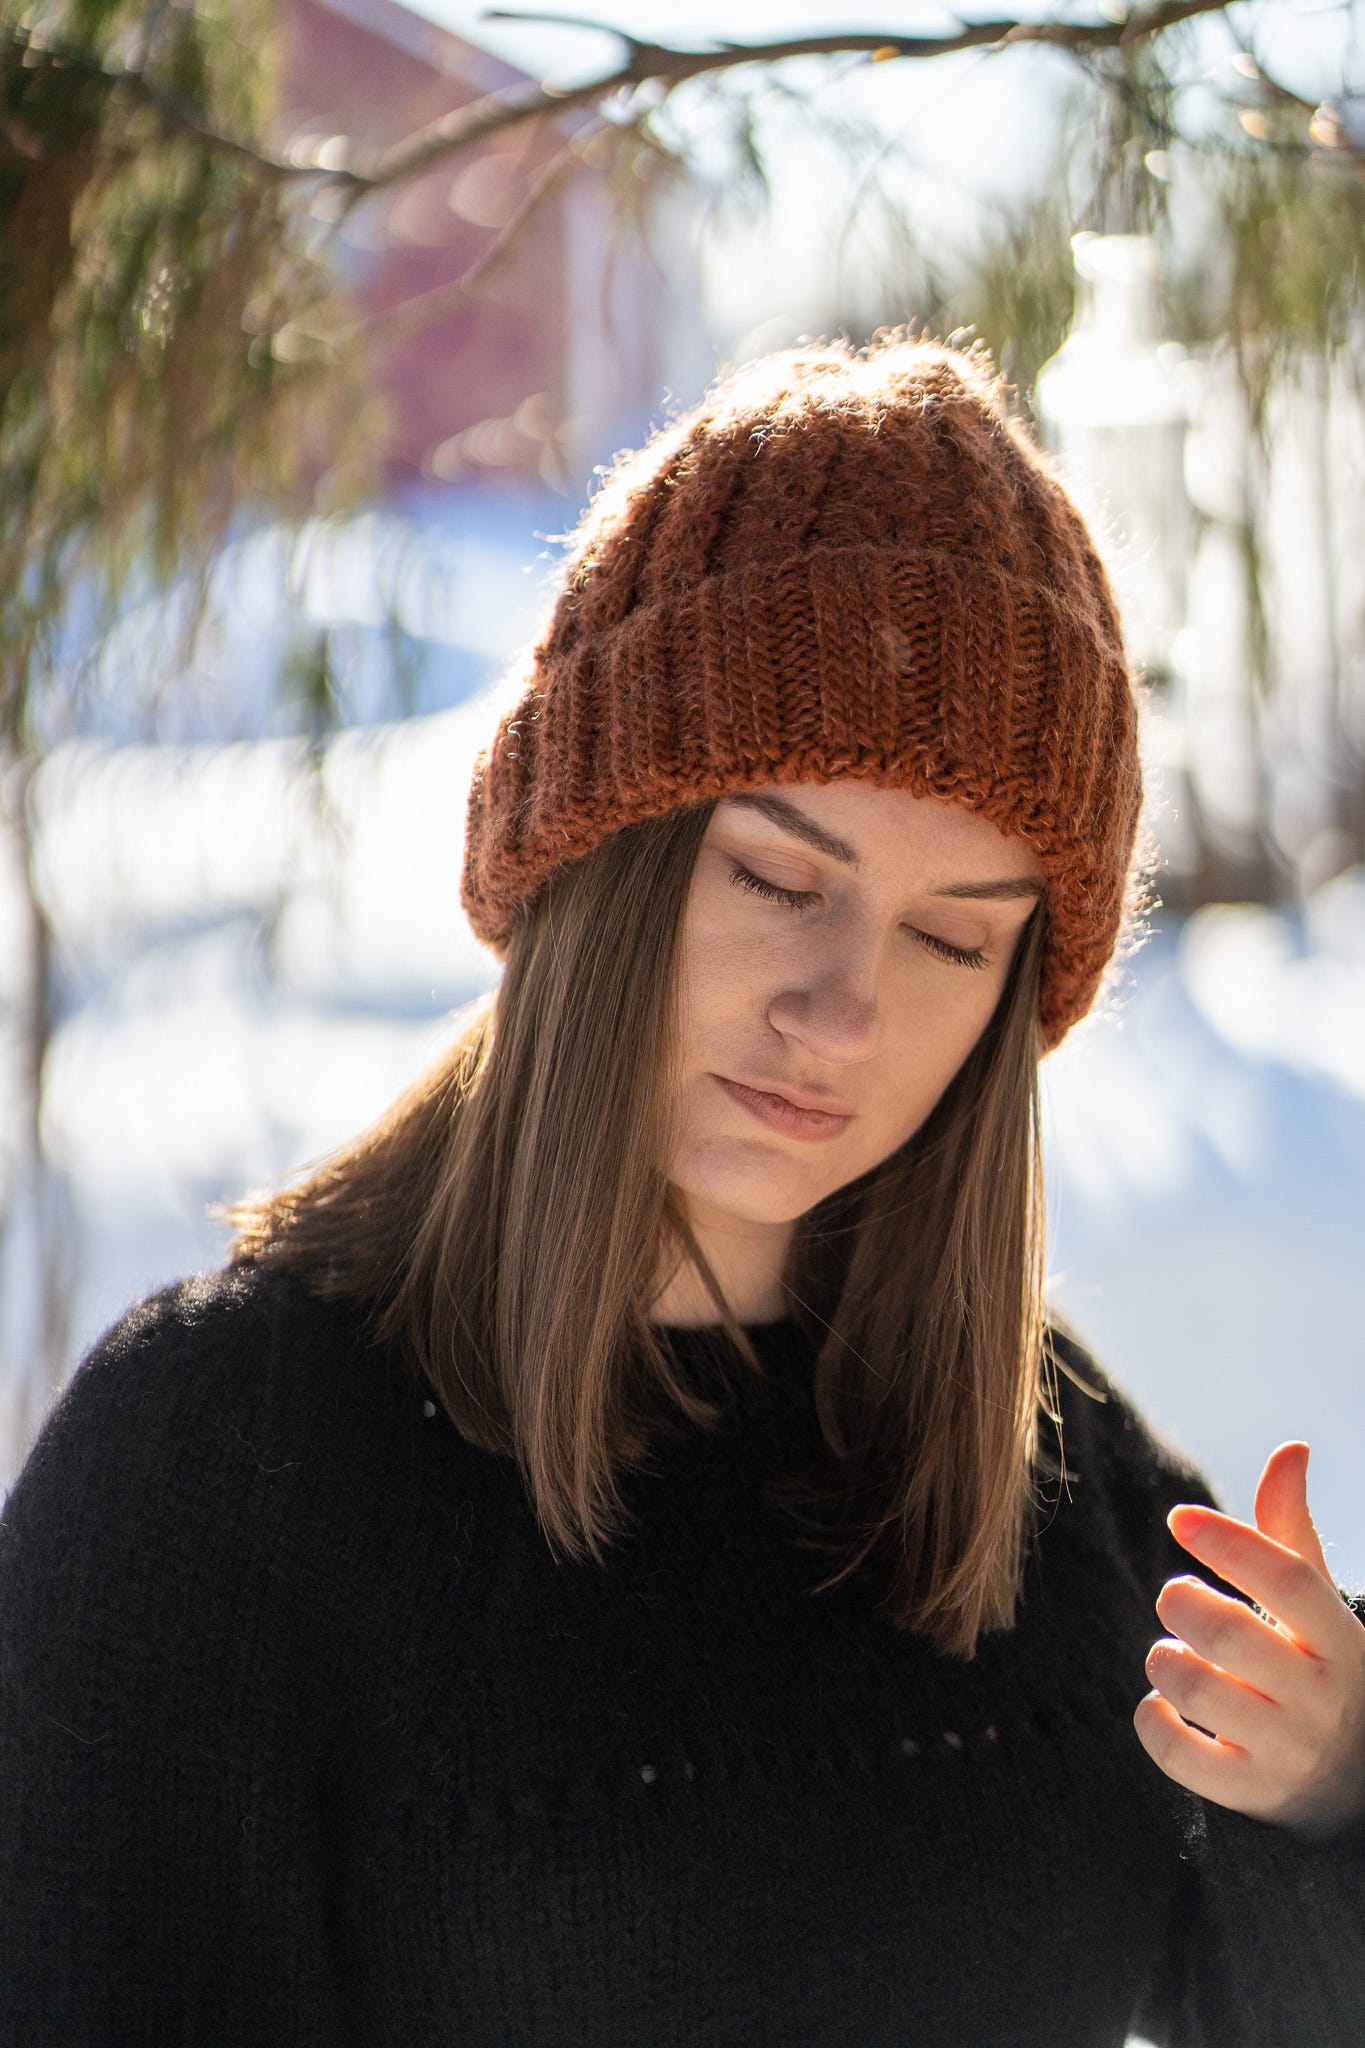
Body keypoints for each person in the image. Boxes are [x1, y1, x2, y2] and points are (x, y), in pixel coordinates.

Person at [1, 336, 1363, 2048]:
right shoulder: (213, 1473)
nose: (842, 1010)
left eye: (954, 937)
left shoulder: (1029, 1455)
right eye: (779, 877)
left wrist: (1330, 1789)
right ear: (598, 855)